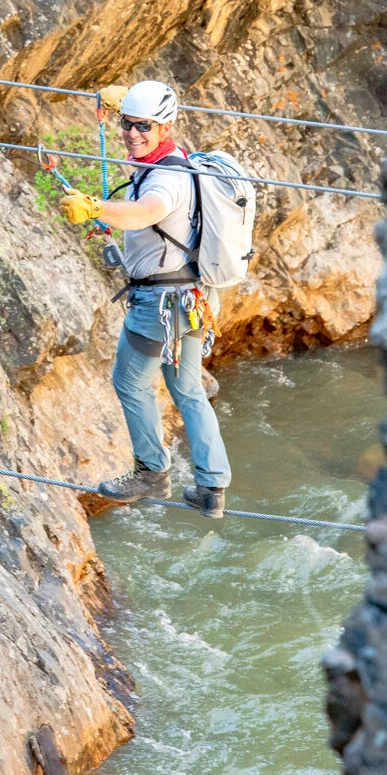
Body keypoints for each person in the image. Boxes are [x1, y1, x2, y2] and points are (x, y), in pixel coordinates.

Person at [55, 80, 231, 518]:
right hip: (193, 297)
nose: (133, 133)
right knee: (188, 387)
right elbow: (144, 218)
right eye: (127, 124)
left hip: (161, 306)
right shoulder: (170, 160)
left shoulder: (166, 178)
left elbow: (146, 211)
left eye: (144, 126)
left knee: (130, 382)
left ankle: (152, 471)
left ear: (165, 126)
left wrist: (97, 207)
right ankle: (212, 486)